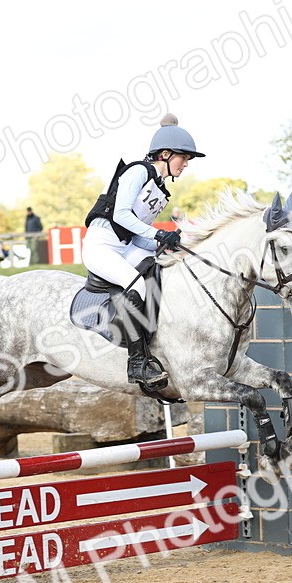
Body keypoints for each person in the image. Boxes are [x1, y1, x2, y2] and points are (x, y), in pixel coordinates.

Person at [81, 113, 203, 386]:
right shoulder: (137, 172)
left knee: (162, 273)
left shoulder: (159, 189)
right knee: (136, 286)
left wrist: (166, 243)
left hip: (125, 247)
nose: (186, 164)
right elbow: (122, 216)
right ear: (166, 154)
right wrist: (158, 233)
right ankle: (137, 364)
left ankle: (161, 342)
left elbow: (138, 238)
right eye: (184, 158)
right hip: (101, 245)